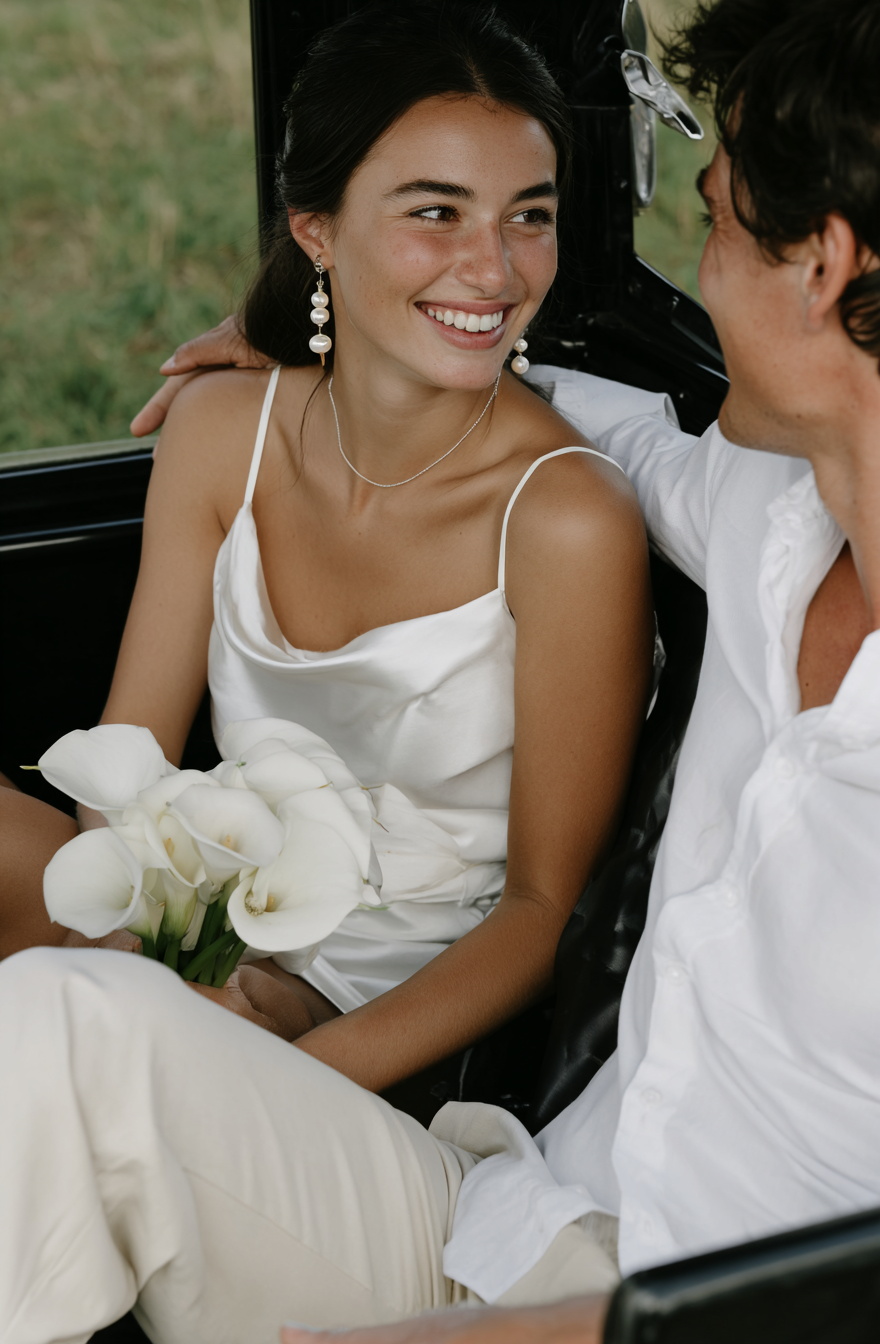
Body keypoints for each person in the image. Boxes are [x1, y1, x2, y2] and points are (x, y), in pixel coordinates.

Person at [4, 0, 880, 1342]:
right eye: (432, 211)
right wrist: (342, 345)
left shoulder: (619, 518)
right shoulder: (768, 513)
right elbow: (611, 432)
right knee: (63, 1014)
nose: (688, 271)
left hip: (685, 1315)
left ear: (819, 267)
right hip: (509, 1212)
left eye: (704, 222)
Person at [0, 1, 654, 1091]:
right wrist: (145, 942)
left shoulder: (566, 519)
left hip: (385, 1019)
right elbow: (125, 762)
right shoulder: (220, 434)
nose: (493, 270)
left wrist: (291, 1067)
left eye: (526, 216)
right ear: (316, 229)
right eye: (437, 212)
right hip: (203, 913)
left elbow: (545, 914)